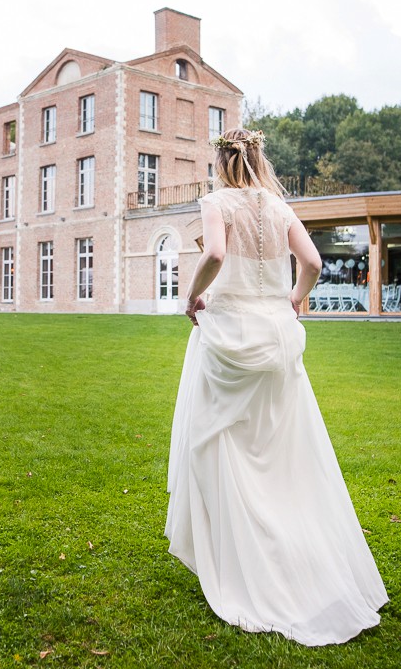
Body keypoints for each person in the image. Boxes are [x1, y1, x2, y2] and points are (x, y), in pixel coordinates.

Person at [165, 128, 388, 646]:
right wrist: (293, 299)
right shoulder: (278, 205)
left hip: (228, 334)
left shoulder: (216, 201)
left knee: (223, 445)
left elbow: (215, 255)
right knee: (281, 450)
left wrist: (192, 297)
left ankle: (239, 557)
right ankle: (296, 549)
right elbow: (312, 263)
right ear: (259, 158)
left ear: (221, 163)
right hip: (276, 333)